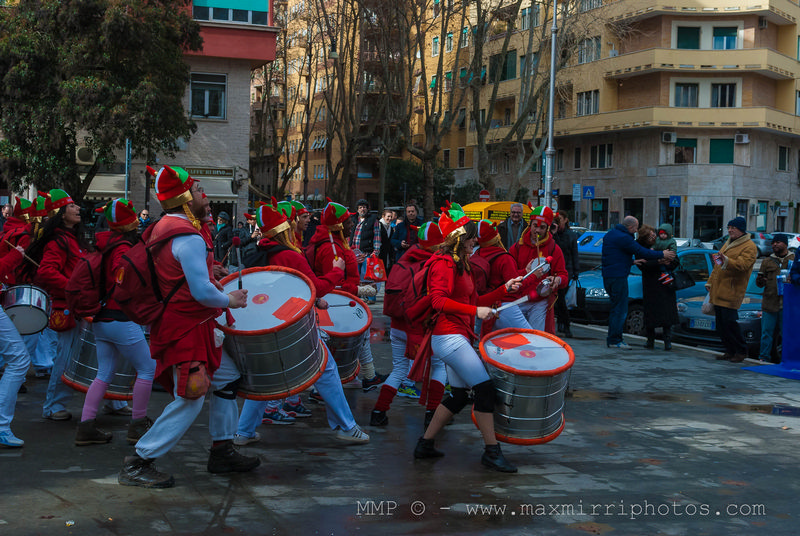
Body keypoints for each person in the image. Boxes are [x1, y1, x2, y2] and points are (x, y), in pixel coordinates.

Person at [118, 165, 257, 488]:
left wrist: (212, 276)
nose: (203, 195)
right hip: (187, 326)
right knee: (191, 395)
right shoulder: (187, 236)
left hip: (189, 324)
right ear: (183, 198)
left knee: (227, 378)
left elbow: (179, 278)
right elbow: (201, 292)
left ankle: (222, 450)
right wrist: (230, 299)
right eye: (196, 190)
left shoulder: (160, 227)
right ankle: (139, 460)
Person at [233, 201, 369, 445]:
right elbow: (314, 288)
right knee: (326, 370)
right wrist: (337, 272)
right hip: (293, 322)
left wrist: (315, 302)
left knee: (266, 377)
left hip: (271, 321)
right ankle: (346, 426)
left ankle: (243, 432)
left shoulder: (266, 250)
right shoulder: (288, 254)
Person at [413, 206, 523, 472]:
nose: (477, 241)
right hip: (448, 336)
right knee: (485, 390)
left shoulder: (460, 263)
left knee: (461, 395)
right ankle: (491, 451)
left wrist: (502, 289)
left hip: (455, 335)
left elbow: (472, 300)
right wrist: (475, 311)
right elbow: (439, 301)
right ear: (461, 237)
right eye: (473, 237)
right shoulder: (444, 263)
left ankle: (425, 444)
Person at [75, 199, 156, 446]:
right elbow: (123, 281)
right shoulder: (122, 248)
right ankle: (138, 424)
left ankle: (86, 426)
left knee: (104, 373)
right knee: (147, 369)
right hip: (120, 317)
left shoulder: (104, 244)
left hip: (101, 319)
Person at [21, 189, 89, 421]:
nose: (78, 208)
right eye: (71, 206)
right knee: (65, 358)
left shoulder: (71, 239)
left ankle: (114, 402)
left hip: (78, 305)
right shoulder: (59, 241)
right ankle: (53, 406)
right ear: (61, 213)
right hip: (66, 306)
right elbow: (47, 272)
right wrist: (72, 286)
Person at [305, 199, 386, 391]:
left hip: (339, 301)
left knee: (363, 334)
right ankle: (322, 388)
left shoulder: (334, 244)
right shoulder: (331, 247)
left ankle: (368, 375)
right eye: (348, 222)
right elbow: (332, 283)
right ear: (338, 225)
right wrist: (359, 290)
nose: (352, 224)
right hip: (335, 305)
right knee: (331, 345)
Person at [371, 222, 446, 428]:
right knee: (439, 367)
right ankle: (432, 415)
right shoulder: (433, 264)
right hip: (420, 328)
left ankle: (379, 411)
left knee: (399, 370)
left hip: (397, 325)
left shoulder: (402, 260)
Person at [601, 216, 675, 350]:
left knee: (615, 308)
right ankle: (615, 339)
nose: (636, 230)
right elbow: (641, 251)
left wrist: (631, 262)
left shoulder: (611, 234)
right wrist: (662, 254)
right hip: (618, 277)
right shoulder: (624, 238)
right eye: (636, 227)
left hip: (608, 275)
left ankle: (612, 338)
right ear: (631, 227)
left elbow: (613, 256)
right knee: (620, 310)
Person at [508, 206, 569, 333]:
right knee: (516, 337)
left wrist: (557, 279)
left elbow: (563, 275)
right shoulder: (517, 247)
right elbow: (508, 276)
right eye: (535, 226)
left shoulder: (554, 248)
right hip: (518, 299)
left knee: (536, 337)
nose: (537, 230)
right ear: (530, 225)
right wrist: (525, 271)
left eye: (542, 227)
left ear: (547, 228)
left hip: (539, 302)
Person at [706, 217, 757, 363]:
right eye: (728, 228)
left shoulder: (749, 246)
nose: (729, 230)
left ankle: (741, 351)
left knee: (730, 323)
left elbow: (743, 265)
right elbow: (717, 265)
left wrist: (727, 260)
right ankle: (729, 350)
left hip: (732, 290)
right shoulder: (728, 243)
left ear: (741, 229)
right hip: (719, 289)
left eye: (733, 228)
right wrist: (710, 282)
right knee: (721, 325)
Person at [472, 219, 529, 334]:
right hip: (505, 306)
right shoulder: (504, 258)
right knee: (530, 337)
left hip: (486, 307)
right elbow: (515, 287)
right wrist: (533, 275)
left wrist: (524, 271)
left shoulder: (476, 254)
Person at [634, 225, 679, 350]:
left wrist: (669, 262)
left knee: (667, 314)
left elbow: (676, 260)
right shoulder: (640, 248)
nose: (654, 237)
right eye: (650, 236)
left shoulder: (666, 242)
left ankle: (667, 341)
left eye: (654, 234)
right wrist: (659, 261)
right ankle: (650, 340)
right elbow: (642, 265)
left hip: (666, 283)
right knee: (651, 313)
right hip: (651, 284)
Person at [755, 233, 793, 362]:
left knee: (787, 334)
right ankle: (763, 357)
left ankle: (787, 359)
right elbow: (759, 284)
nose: (774, 245)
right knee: (766, 333)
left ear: (785, 244)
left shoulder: (793, 259)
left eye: (778, 242)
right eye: (773, 243)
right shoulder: (767, 261)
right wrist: (761, 280)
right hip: (769, 303)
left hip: (787, 304)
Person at [552, 211, 580, 337]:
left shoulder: (570, 235)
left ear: (565, 220)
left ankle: (566, 325)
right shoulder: (553, 234)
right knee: (557, 300)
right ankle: (562, 324)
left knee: (561, 300)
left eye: (560, 220)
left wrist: (575, 271)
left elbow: (572, 253)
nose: (557, 223)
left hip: (565, 270)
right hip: (554, 270)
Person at [350, 199, 381, 303]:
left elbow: (377, 236)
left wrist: (375, 252)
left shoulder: (373, 219)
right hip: (354, 253)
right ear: (357, 209)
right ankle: (357, 297)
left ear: (368, 209)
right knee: (356, 276)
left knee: (368, 276)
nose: (362, 209)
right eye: (360, 207)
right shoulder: (354, 219)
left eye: (364, 207)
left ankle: (370, 297)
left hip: (367, 253)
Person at [378, 208, 395, 274]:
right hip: (380, 253)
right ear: (383, 216)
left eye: (391, 216)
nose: (390, 218)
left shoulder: (390, 227)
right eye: (388, 216)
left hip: (387, 254)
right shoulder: (379, 225)